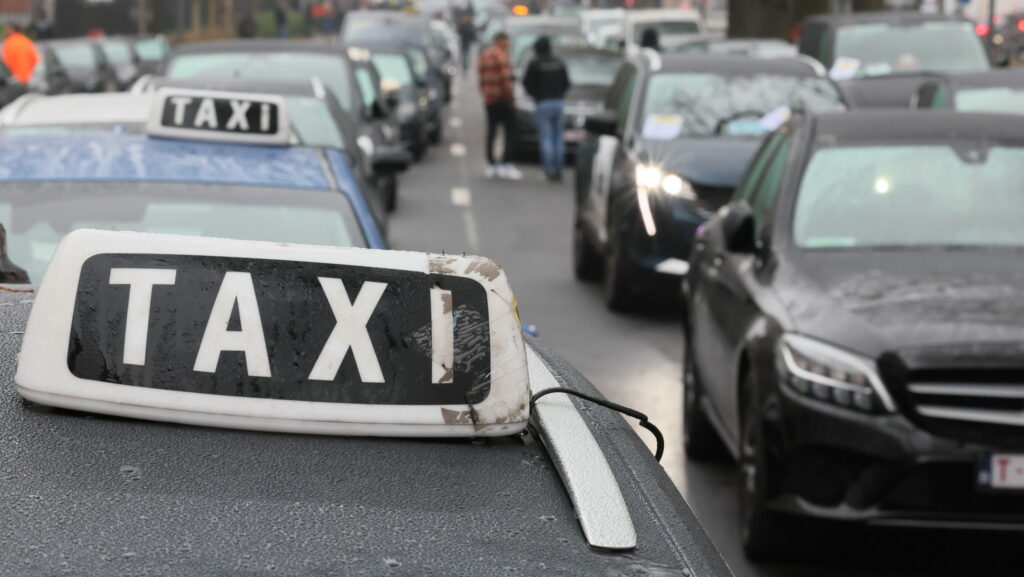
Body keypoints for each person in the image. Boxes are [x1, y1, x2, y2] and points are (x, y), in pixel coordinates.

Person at [523, 36, 570, 183]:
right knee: (558, 138)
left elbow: (527, 83)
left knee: (546, 138)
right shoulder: (558, 62)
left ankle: (549, 171)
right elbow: (566, 83)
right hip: (558, 102)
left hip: (543, 103)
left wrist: (535, 95)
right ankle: (559, 169)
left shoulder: (535, 63)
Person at [478, 32, 522, 180]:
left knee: (492, 131)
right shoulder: (501, 56)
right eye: (507, 41)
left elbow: (481, 78)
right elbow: (506, 81)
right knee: (510, 131)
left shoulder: (485, 55)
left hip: (490, 99)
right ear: (501, 41)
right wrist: (511, 99)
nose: (508, 44)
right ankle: (506, 162)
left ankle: (491, 163)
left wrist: (485, 94)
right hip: (502, 99)